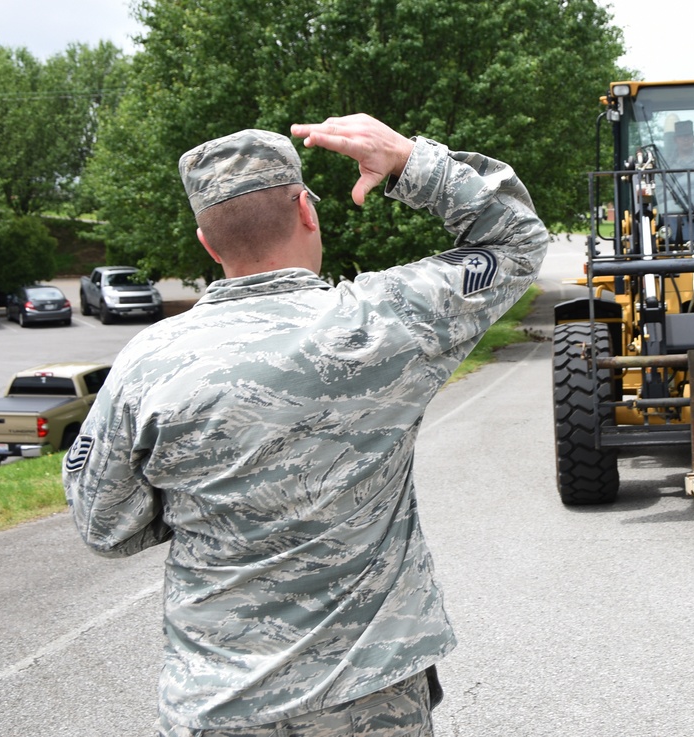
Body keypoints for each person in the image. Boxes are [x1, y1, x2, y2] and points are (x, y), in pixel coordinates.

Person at [62, 114, 549, 737]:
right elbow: (513, 244)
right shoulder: (386, 322)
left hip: (217, 706)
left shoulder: (144, 366)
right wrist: (406, 161)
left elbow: (105, 527)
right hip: (371, 702)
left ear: (208, 244)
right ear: (307, 213)